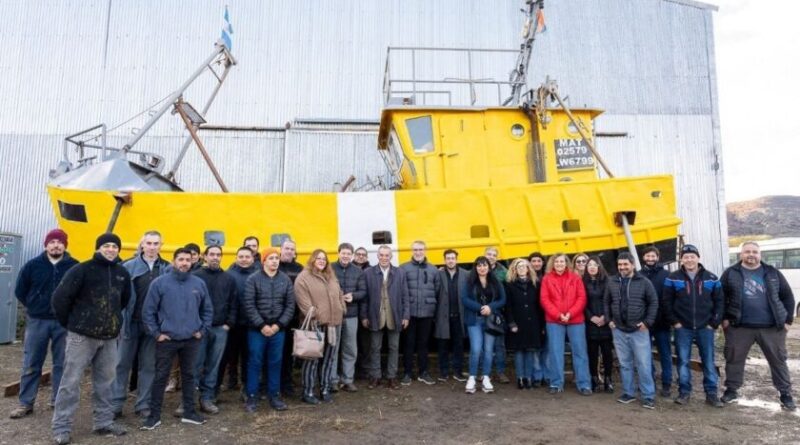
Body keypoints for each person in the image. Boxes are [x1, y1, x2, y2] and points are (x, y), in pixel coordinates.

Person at [51, 233, 131, 444]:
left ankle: (103, 422)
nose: (111, 249)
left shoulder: (122, 273)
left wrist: (110, 322)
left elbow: (123, 301)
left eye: (115, 246)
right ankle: (61, 427)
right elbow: (60, 299)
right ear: (98, 248)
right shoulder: (81, 270)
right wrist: (71, 324)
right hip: (81, 337)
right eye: (106, 246)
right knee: (70, 382)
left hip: (109, 338)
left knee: (106, 383)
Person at [140, 247, 213, 430]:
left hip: (191, 339)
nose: (184, 263)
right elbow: (148, 311)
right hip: (167, 339)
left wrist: (202, 330)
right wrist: (157, 333)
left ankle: (189, 412)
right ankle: (154, 415)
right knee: (161, 376)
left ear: (192, 262)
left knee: (189, 375)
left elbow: (207, 310)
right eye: (180, 259)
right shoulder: (159, 283)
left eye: (187, 260)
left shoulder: (198, 283)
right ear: (174, 261)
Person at [719, 241, 796, 411]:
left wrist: (788, 321)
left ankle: (785, 394)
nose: (751, 255)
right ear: (741, 254)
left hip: (771, 327)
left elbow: (788, 297)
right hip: (739, 327)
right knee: (733, 359)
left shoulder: (772, 272)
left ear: (760, 255)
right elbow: (720, 297)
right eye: (747, 252)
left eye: (754, 252)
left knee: (778, 361)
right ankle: (731, 390)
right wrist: (723, 318)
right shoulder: (731, 273)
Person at [10, 229, 78, 419]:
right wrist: (34, 305)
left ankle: (58, 402)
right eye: (52, 242)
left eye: (60, 242)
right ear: (46, 244)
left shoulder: (74, 267)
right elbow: (20, 291)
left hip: (64, 323)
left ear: (65, 245)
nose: (56, 245)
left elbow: (80, 293)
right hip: (37, 321)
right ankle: (25, 403)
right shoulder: (32, 266)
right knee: (32, 363)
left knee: (62, 364)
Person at [112, 230, 170, 420]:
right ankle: (116, 403)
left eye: (156, 244)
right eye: (149, 243)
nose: (152, 247)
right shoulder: (127, 267)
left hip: (153, 327)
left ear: (161, 246)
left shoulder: (167, 269)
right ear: (142, 245)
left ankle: (143, 404)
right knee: (121, 364)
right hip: (130, 324)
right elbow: (117, 297)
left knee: (148, 366)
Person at [663, 244, 724, 407]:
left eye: (692, 256)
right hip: (683, 328)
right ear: (681, 259)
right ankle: (684, 392)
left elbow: (720, 302)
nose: (689, 259)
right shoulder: (673, 278)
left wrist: (714, 323)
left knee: (709, 361)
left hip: (706, 328)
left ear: (698, 258)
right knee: (683, 361)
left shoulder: (711, 277)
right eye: (686, 256)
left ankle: (711, 394)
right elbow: (666, 302)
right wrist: (675, 322)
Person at [242, 248, 295, 412]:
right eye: (271, 258)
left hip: (278, 330)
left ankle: (275, 395)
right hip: (257, 330)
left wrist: (278, 325)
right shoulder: (253, 279)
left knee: (275, 362)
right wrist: (262, 325)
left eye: (276, 258)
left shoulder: (285, 280)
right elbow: (249, 305)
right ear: (264, 260)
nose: (274, 261)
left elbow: (290, 305)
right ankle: (251, 397)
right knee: (255, 362)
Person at [604, 252, 659, 409]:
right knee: (625, 363)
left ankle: (648, 396)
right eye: (620, 264)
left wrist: (647, 323)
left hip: (639, 330)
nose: (622, 267)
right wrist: (609, 320)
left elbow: (653, 303)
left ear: (633, 265)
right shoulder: (612, 282)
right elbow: (606, 302)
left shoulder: (644, 282)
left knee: (643, 363)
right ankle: (629, 393)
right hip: (619, 330)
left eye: (625, 264)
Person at [294, 249, 345, 404]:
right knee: (312, 359)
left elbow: (339, 293)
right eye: (319, 258)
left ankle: (325, 388)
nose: (322, 261)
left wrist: (342, 308)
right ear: (312, 260)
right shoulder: (303, 278)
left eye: (324, 259)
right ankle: (308, 392)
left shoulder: (331, 276)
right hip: (315, 325)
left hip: (334, 323)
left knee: (329, 359)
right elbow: (303, 302)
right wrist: (316, 315)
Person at [192, 245, 238, 414]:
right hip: (199, 329)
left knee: (213, 366)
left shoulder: (228, 278)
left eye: (218, 255)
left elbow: (234, 303)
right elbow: (190, 304)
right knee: (195, 365)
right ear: (204, 256)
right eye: (211, 254)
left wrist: (229, 324)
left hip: (220, 328)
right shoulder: (195, 277)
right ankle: (188, 400)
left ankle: (207, 398)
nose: (215, 257)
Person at [540, 253, 592, 395]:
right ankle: (556, 383)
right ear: (552, 263)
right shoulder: (547, 279)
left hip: (575, 320)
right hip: (554, 320)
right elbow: (545, 299)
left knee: (580, 352)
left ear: (566, 263)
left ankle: (584, 384)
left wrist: (570, 313)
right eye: (556, 262)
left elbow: (581, 298)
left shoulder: (575, 278)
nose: (559, 264)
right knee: (555, 352)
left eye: (562, 261)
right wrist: (558, 315)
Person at [361, 245, 409, 390]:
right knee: (375, 347)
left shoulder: (400, 273)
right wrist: (364, 316)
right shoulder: (368, 273)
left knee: (394, 347)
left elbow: (405, 296)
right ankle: (375, 377)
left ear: (391, 257)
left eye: (386, 255)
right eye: (381, 255)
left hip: (395, 315)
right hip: (375, 315)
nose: (383, 258)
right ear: (377, 256)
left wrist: (406, 315)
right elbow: (365, 297)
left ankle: (392, 377)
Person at [461, 256, 506, 394]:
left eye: (484, 265)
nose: (482, 268)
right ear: (475, 267)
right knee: (475, 349)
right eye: (479, 265)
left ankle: (486, 377)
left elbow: (503, 299)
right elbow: (464, 299)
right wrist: (481, 308)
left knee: (488, 350)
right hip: (475, 320)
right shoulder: (469, 281)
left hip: (490, 320)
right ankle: (472, 378)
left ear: (488, 267)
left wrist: (490, 307)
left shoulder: (495, 282)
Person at [400, 240, 441, 385]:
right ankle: (407, 373)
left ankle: (423, 372)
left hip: (427, 312)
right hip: (409, 313)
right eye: (415, 249)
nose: (418, 252)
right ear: (412, 251)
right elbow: (400, 291)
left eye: (421, 249)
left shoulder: (433, 269)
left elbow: (437, 290)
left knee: (424, 344)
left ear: (425, 251)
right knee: (408, 344)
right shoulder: (403, 268)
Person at [218, 247, 258, 392]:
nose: (244, 259)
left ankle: (246, 384)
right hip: (232, 323)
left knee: (248, 356)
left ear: (252, 258)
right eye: (241, 256)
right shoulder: (228, 275)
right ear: (236, 257)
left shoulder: (258, 274)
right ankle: (231, 380)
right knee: (230, 355)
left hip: (251, 323)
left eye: (247, 256)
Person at [331, 243, 366, 392]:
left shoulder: (358, 271)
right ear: (338, 253)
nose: (345, 256)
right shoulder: (330, 269)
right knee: (333, 348)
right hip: (334, 314)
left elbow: (363, 291)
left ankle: (347, 379)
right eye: (343, 253)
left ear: (352, 256)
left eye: (348, 253)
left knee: (350, 348)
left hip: (351, 315)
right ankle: (332, 380)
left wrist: (354, 296)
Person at [504, 258, 544, 390]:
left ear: (528, 269)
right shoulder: (509, 284)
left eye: (524, 266)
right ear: (514, 269)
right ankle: (520, 378)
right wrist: (511, 323)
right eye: (518, 266)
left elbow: (539, 305)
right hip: (517, 323)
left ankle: (528, 377)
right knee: (519, 352)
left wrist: (541, 325)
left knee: (530, 351)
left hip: (533, 323)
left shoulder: (535, 283)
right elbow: (508, 306)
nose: (521, 268)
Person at [639, 246, 672, 397]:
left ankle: (667, 383)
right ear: (643, 257)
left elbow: (670, 298)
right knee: (645, 355)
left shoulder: (666, 275)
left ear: (657, 257)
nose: (650, 258)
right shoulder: (638, 275)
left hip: (662, 322)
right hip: (644, 323)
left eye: (653, 256)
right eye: (648, 256)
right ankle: (649, 381)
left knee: (665, 353)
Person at [435, 249, 468, 382]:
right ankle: (444, 372)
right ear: (444, 260)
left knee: (458, 346)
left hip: (459, 316)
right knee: (442, 346)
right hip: (443, 316)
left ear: (457, 259)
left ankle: (458, 372)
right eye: (448, 258)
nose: (450, 260)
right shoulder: (439, 274)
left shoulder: (466, 274)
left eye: (453, 258)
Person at [583, 256, 614, 393]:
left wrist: (605, 317)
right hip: (591, 322)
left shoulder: (608, 281)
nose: (592, 267)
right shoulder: (582, 282)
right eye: (589, 265)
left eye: (595, 265)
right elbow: (582, 302)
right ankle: (594, 379)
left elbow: (612, 301)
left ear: (599, 266)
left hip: (605, 321)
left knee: (607, 353)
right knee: (592, 353)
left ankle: (608, 379)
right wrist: (591, 317)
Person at [278, 238, 303, 397]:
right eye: (286, 248)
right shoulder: (274, 264)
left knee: (288, 353)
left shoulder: (299, 268)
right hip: (275, 317)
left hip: (293, 317)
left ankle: (287, 384)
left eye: (292, 249)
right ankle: (272, 383)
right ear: (281, 249)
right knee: (274, 354)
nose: (289, 251)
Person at [484, 246, 509, 384]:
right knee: (482, 345)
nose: (491, 256)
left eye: (494, 254)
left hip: (498, 313)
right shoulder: (477, 269)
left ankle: (500, 372)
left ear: (497, 257)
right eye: (489, 254)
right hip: (480, 312)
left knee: (499, 345)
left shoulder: (504, 272)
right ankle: (483, 372)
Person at [527, 251, 549, 386]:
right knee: (535, 348)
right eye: (533, 261)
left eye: (539, 261)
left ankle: (547, 375)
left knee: (547, 348)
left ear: (543, 263)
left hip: (547, 315)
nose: (536, 263)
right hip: (532, 316)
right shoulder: (526, 278)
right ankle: (537, 375)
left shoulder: (548, 277)